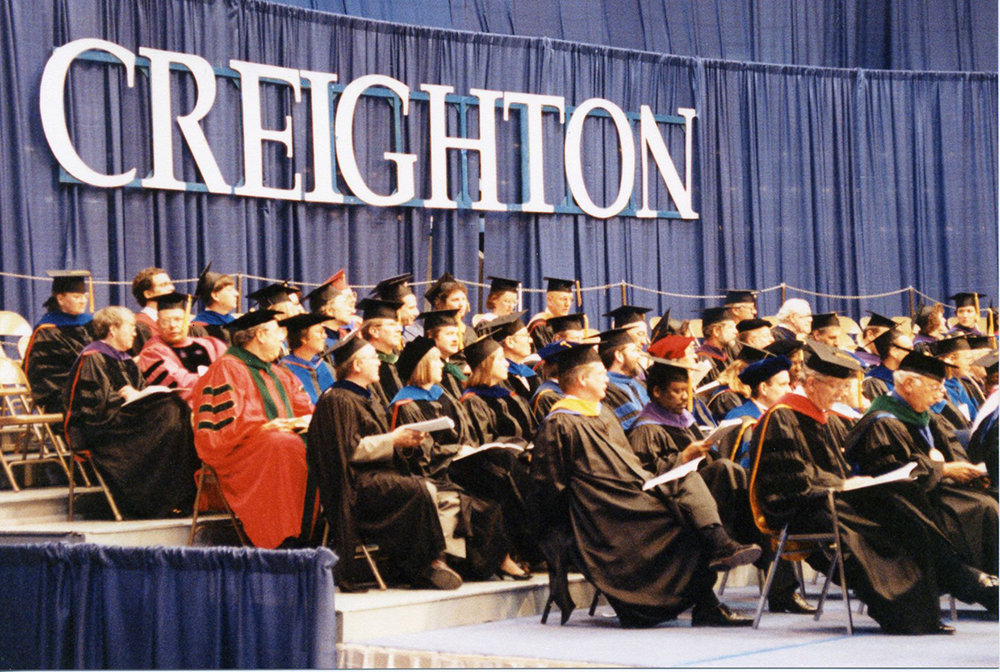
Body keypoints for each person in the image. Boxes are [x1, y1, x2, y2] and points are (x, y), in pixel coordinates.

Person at [749, 342, 996, 633]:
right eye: (836, 386)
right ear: (812, 383)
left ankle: (932, 602)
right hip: (799, 506)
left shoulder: (825, 416)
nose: (843, 394)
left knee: (904, 504)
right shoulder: (782, 416)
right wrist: (843, 483)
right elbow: (790, 480)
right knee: (884, 521)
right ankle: (918, 607)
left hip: (828, 497)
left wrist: (854, 483)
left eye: (844, 386)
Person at [531, 342, 761, 628]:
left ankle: (711, 585)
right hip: (605, 512)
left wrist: (668, 468)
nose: (607, 379)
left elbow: (630, 465)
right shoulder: (560, 421)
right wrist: (568, 528)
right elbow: (549, 487)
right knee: (683, 515)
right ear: (581, 380)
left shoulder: (602, 412)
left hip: (633, 494)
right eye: (601, 374)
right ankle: (708, 580)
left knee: (699, 491)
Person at [628, 355, 811, 614]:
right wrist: (683, 457)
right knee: (726, 470)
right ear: (656, 392)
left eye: (686, 390)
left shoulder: (684, 421)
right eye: (677, 391)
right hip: (671, 505)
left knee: (759, 510)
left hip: (706, 499)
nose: (684, 397)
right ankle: (720, 556)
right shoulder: (646, 429)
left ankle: (782, 590)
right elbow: (646, 477)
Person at [306, 333, 463, 591]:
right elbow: (351, 451)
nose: (379, 362)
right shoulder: (338, 399)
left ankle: (428, 563)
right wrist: (393, 439)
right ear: (356, 365)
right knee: (417, 490)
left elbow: (379, 444)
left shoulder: (366, 396)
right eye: (372, 358)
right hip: (353, 485)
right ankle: (424, 565)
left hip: (374, 476)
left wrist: (406, 443)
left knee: (423, 485)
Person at [844, 351, 999, 579]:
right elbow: (891, 474)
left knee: (990, 498)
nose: (939, 397)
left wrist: (969, 472)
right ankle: (981, 582)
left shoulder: (927, 418)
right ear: (908, 384)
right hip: (905, 504)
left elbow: (955, 454)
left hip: (935, 492)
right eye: (934, 388)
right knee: (984, 508)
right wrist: (943, 470)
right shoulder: (882, 422)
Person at [386, 336, 526, 579]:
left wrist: (469, 450)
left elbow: (468, 434)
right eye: (437, 362)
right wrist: (457, 452)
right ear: (423, 365)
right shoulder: (405, 404)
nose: (443, 365)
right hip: (436, 470)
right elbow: (420, 454)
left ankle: (511, 554)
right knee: (495, 482)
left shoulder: (443, 395)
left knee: (503, 474)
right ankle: (502, 559)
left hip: (462, 462)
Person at [190, 310, 316, 549]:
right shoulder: (226, 369)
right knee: (282, 444)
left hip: (274, 445)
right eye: (278, 332)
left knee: (321, 440)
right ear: (260, 335)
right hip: (236, 453)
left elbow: (304, 411)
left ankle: (316, 530)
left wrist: (309, 422)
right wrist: (262, 427)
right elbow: (217, 430)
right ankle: (282, 539)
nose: (283, 339)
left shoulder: (279, 373)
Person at [63, 306, 198, 518]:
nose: (136, 333)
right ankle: (152, 502)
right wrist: (125, 396)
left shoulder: (125, 359)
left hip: (127, 423)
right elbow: (97, 407)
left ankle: (177, 497)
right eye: (131, 327)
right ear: (113, 329)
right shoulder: (92, 357)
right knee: (169, 413)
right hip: (104, 430)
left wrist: (142, 394)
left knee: (175, 409)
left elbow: (140, 392)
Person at [136, 292, 227, 406]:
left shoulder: (213, 345)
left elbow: (235, 372)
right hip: (186, 414)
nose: (173, 325)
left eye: (178, 319)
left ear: (188, 321)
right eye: (166, 321)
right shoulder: (151, 353)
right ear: (158, 324)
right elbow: (182, 385)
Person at [23, 270, 95, 414]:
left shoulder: (90, 324)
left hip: (92, 391)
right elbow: (48, 378)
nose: (83, 301)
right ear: (60, 298)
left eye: (84, 296)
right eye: (76, 296)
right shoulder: (47, 331)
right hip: (64, 398)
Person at [459, 336, 537, 444]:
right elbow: (484, 442)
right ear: (486, 364)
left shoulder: (511, 396)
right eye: (501, 359)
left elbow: (534, 432)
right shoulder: (472, 402)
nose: (507, 363)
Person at [723, 354, 794, 467]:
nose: (789, 390)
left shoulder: (781, 415)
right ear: (764, 389)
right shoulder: (742, 420)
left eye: (789, 384)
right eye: (783, 385)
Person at [356, 297, 405, 409]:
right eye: (392, 325)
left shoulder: (402, 363)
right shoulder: (364, 368)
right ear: (374, 331)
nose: (399, 329)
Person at [479, 311, 539, 401]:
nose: (530, 340)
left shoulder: (528, 373)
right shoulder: (501, 380)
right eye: (525, 336)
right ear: (510, 342)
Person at [278, 312, 336, 405]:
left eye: (324, 332)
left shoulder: (326, 367)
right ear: (303, 338)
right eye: (319, 332)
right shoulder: (284, 372)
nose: (325, 336)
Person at [598, 327, 649, 431]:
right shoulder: (608, 390)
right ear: (619, 356)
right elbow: (638, 428)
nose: (639, 355)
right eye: (634, 351)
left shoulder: (638, 384)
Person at [418, 309, 467, 399]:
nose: (455, 339)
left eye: (456, 334)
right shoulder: (427, 373)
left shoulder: (454, 370)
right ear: (431, 337)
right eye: (449, 334)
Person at [305, 269, 356, 350]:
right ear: (329, 310)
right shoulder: (318, 344)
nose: (354, 311)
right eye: (347, 303)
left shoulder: (341, 338)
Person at [191, 263, 239, 345]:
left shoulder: (234, 322)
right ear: (215, 295)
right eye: (230, 290)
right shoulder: (198, 327)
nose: (237, 293)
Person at [130, 266, 176, 352]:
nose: (172, 288)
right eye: (164, 285)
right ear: (148, 294)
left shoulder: (179, 322)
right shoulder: (138, 325)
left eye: (170, 284)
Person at [424, 273, 475, 347]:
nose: (461, 304)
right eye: (455, 300)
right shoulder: (435, 330)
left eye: (463, 299)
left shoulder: (470, 332)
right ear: (443, 304)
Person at [861, 329, 911, 400]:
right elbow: (878, 410)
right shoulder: (873, 382)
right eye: (909, 350)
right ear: (893, 352)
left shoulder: (910, 376)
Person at [528, 277, 576, 350]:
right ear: (549, 300)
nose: (568, 304)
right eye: (563, 299)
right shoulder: (540, 325)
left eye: (571, 300)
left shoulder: (564, 323)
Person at [695, 307, 735, 384]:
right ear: (716, 331)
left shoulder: (725, 354)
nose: (735, 331)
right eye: (730, 327)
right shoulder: (703, 357)